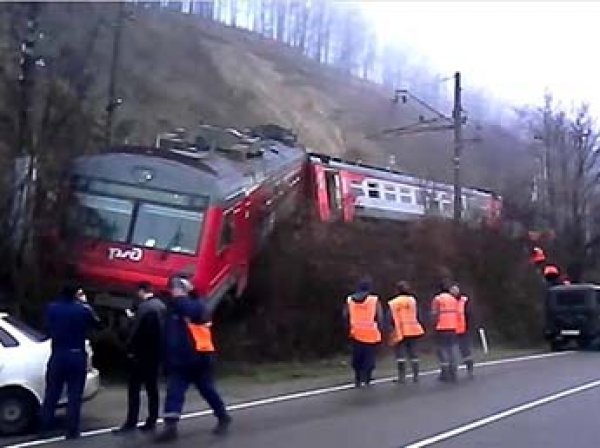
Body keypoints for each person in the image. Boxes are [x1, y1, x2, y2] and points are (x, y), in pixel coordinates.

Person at [155, 276, 231, 442]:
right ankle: (170, 427)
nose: (174, 291)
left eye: (177, 287)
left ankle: (223, 416)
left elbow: (192, 312)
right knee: (174, 393)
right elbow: (168, 335)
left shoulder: (199, 305)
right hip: (179, 360)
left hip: (199, 358)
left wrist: (181, 295)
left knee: (207, 390)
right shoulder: (173, 309)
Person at [39, 285, 100, 439]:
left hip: (58, 353)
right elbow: (98, 324)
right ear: (76, 294)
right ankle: (72, 429)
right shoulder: (82, 310)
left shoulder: (52, 308)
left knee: (52, 392)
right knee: (74, 394)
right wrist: (85, 304)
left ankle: (45, 426)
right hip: (76, 354)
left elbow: (46, 327)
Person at [113, 282, 166, 434]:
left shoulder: (144, 308)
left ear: (141, 291)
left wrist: (129, 347)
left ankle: (131, 421)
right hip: (156, 354)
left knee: (134, 389)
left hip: (141, 355)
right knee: (152, 389)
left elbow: (135, 332)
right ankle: (152, 420)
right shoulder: (162, 306)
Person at [343, 278, 383, 388]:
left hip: (355, 332)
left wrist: (348, 327)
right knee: (369, 356)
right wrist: (380, 327)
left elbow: (345, 315)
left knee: (357, 355)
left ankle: (357, 377)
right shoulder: (374, 300)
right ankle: (367, 378)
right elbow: (379, 316)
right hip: (371, 332)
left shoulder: (350, 299)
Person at [387, 281, 425, 384]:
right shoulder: (413, 300)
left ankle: (402, 377)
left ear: (397, 290)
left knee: (400, 355)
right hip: (413, 329)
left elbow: (390, 318)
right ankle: (416, 376)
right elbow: (418, 314)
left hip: (400, 330)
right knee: (414, 354)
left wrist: (390, 329)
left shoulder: (393, 302)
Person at [431, 283, 458, 382]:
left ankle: (445, 373)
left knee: (442, 350)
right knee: (452, 349)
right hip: (453, 326)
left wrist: (433, 325)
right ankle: (453, 371)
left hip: (441, 327)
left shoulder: (437, 299)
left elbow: (435, 313)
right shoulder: (454, 299)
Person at [450, 283, 474, 379]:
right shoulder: (449, 301)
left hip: (463, 330)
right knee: (453, 352)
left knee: (466, 351)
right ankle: (453, 372)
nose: (454, 292)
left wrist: (470, 326)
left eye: (455, 290)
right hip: (452, 330)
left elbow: (470, 314)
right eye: (452, 290)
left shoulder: (465, 300)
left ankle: (470, 369)